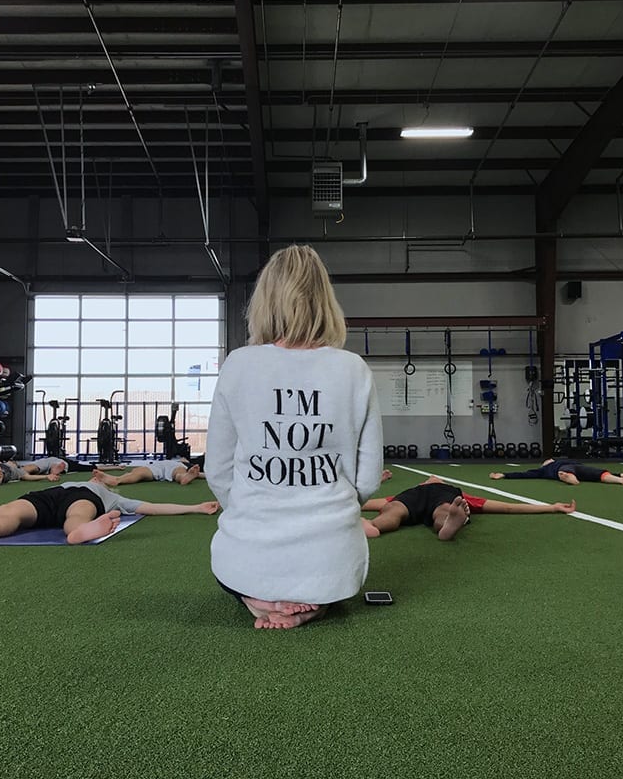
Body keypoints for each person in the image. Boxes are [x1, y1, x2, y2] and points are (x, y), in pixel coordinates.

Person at [206, 244, 383, 630]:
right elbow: (368, 478)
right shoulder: (354, 370)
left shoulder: (238, 365)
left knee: (233, 567)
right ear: (325, 300)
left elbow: (217, 470)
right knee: (331, 566)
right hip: (333, 562)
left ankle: (261, 598)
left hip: (247, 557)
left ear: (264, 301)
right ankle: (312, 602)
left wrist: (252, 509)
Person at [0, 478, 220, 546]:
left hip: (82, 500)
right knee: (10, 512)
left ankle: (78, 532)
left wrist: (195, 506)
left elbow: (152, 508)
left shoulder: (112, 497)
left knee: (77, 514)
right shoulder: (73, 480)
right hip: (46, 497)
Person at [361, 476, 576, 541]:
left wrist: (350, 507)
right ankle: (446, 524)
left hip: (412, 497)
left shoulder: (411, 490)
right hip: (444, 498)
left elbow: (367, 502)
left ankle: (373, 526)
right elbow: (509, 508)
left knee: (393, 511)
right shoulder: (458, 494)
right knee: (443, 511)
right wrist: (551, 507)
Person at [489, 458, 623, 486]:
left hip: (576, 467)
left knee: (598, 474)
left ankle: (622, 480)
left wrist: (619, 474)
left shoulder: (560, 462)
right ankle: (568, 478)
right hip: (564, 469)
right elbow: (525, 474)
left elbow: (595, 471)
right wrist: (504, 474)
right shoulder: (545, 469)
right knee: (565, 471)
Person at [91, 457, 203, 488]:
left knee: (137, 473)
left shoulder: (184, 462)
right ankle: (117, 479)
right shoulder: (185, 463)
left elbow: (201, 474)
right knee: (178, 474)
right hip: (172, 467)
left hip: (165, 466)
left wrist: (196, 473)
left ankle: (118, 479)